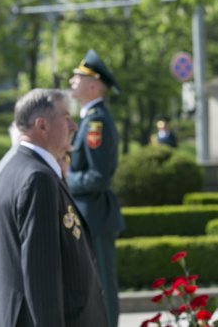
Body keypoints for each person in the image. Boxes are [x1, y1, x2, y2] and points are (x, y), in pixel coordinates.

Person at [0, 89, 106, 327]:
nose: (74, 126)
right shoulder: (38, 178)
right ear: (42, 125)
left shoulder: (10, 165)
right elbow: (41, 277)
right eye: (66, 118)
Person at [67, 49, 124, 327]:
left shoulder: (97, 122)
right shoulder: (90, 118)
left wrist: (65, 179)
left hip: (95, 216)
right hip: (87, 214)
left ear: (92, 85)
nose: (70, 81)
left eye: (77, 78)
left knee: (102, 286)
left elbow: (98, 177)